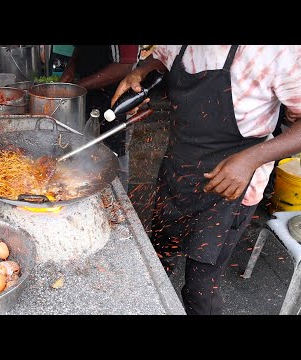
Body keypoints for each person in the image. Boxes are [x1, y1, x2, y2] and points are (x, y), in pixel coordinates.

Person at [111, 45, 301, 315]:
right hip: (178, 172)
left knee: (200, 287)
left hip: (230, 189)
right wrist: (139, 72)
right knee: (158, 259)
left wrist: (251, 159)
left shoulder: (279, 51)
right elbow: (160, 59)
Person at [60, 45, 141, 190]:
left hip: (115, 101)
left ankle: (117, 201)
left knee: (114, 156)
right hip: (87, 97)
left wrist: (77, 86)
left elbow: (125, 66)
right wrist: (71, 65)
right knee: (82, 150)